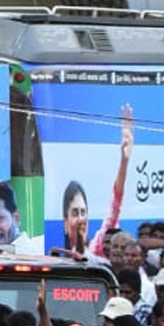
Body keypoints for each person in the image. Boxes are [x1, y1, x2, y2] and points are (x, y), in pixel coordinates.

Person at [62, 105, 134, 256]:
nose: (81, 219)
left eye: (83, 212)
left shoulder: (96, 250)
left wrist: (124, 161)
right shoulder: (55, 258)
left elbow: (116, 204)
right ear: (65, 222)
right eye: (75, 213)